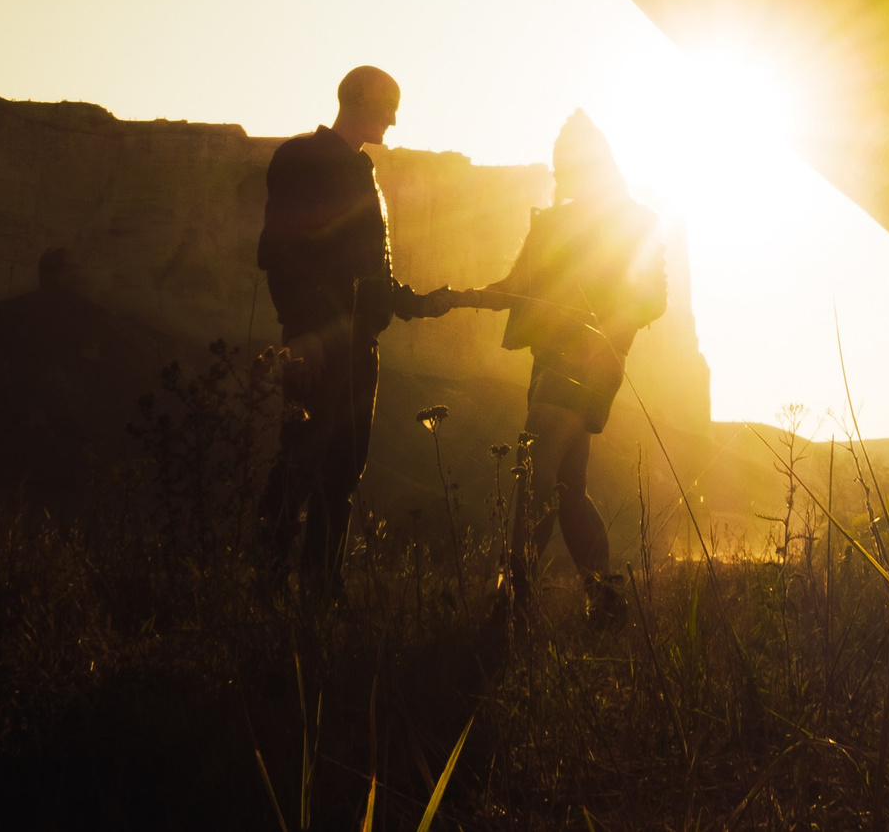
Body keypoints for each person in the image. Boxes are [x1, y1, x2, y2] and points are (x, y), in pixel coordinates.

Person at [446, 110, 665, 622]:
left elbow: (653, 298)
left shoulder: (636, 220)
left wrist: (603, 324)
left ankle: (514, 595)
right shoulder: (551, 223)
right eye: (559, 163)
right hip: (549, 361)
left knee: (536, 471)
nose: (563, 172)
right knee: (569, 489)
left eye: (571, 162)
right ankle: (605, 602)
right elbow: (515, 285)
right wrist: (457, 297)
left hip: (590, 364)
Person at [253, 65, 448, 591]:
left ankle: (322, 593)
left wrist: (415, 303)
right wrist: (302, 333)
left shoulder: (363, 172)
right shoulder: (302, 160)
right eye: (388, 108)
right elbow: (281, 252)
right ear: (360, 101)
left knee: (340, 476)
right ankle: (263, 588)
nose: (393, 121)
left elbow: (364, 273)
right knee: (298, 464)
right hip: (318, 344)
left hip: (361, 346)